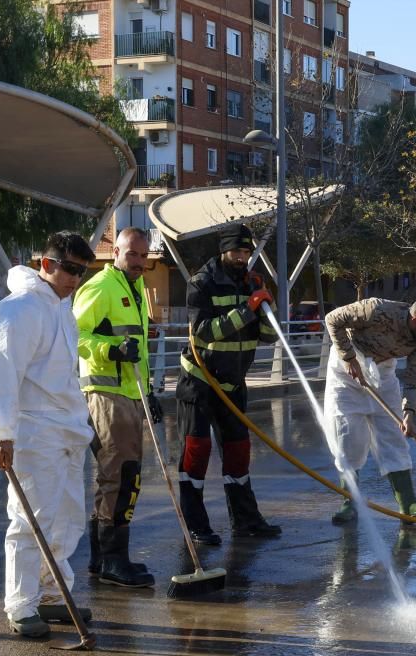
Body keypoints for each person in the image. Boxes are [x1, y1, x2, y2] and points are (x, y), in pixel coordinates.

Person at [0, 231, 96, 638]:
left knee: (66, 519)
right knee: (30, 519)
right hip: (34, 431)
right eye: (69, 269)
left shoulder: (61, 309)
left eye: (82, 272)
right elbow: (2, 371)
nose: (75, 279)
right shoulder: (20, 309)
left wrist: (82, 424)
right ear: (45, 265)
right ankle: (21, 603)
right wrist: (2, 433)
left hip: (66, 431)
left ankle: (52, 594)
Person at [176, 223, 282, 545]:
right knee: (197, 451)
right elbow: (204, 332)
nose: (242, 258)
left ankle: (245, 520)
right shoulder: (202, 283)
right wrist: (247, 309)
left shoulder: (251, 283)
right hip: (200, 381)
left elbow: (269, 335)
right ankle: (197, 525)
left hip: (234, 382)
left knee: (238, 452)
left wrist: (266, 304)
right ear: (223, 251)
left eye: (247, 253)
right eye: (237, 252)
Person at [75, 227, 158, 588]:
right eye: (132, 254)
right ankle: (111, 558)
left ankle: (103, 557)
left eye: (143, 255)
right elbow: (74, 335)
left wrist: (148, 392)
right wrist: (110, 350)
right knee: (121, 474)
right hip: (105, 393)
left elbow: (137, 348)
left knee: (118, 476)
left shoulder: (136, 289)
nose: (139, 262)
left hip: (130, 393)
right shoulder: (100, 287)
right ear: (116, 253)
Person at [322, 296, 416, 524]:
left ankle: (408, 504)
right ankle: (350, 502)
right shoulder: (375, 309)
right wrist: (348, 358)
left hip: (384, 374)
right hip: (346, 372)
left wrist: (409, 412)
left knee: (394, 435)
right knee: (348, 438)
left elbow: (415, 375)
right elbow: (332, 319)